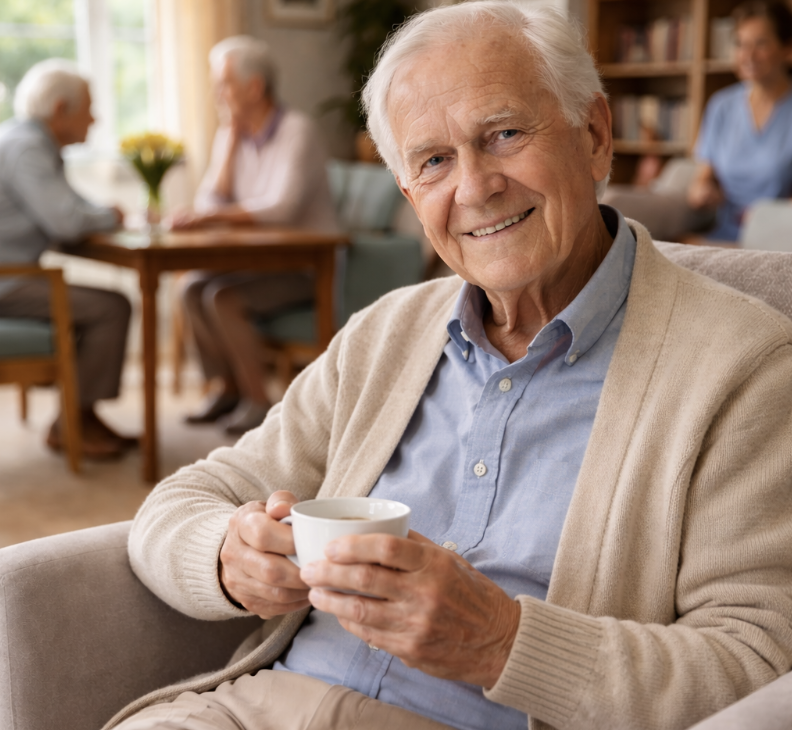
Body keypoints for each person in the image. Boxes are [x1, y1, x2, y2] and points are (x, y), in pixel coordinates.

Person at [110, 4, 792, 730]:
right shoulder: (387, 332)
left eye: (503, 134)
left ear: (594, 136)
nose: (473, 186)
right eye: (433, 160)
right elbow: (186, 498)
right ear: (410, 194)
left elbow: (756, 665)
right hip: (256, 710)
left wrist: (501, 643)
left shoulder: (740, 366)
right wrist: (225, 554)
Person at [173, 36, 338, 435]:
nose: (216, 94)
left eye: (223, 84)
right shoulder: (230, 135)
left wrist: (211, 215)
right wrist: (229, 147)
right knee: (190, 286)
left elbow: (282, 207)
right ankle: (226, 388)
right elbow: (208, 198)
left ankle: (258, 401)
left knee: (222, 297)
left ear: (254, 87)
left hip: (305, 268)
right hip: (256, 264)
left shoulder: (297, 130)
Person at [0, 59, 136, 460]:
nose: (94, 120)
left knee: (101, 305)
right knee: (111, 307)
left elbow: (71, 204)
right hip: (8, 279)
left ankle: (80, 417)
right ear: (61, 109)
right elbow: (67, 220)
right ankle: (74, 422)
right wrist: (113, 215)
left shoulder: (25, 139)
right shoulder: (27, 148)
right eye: (89, 108)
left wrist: (102, 210)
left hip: (14, 273)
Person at [688, 0, 792, 241]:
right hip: (723, 235)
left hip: (777, 240)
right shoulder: (721, 106)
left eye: (761, 44)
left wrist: (765, 218)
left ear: (787, 49)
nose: (748, 55)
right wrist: (703, 192)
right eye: (741, 44)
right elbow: (701, 180)